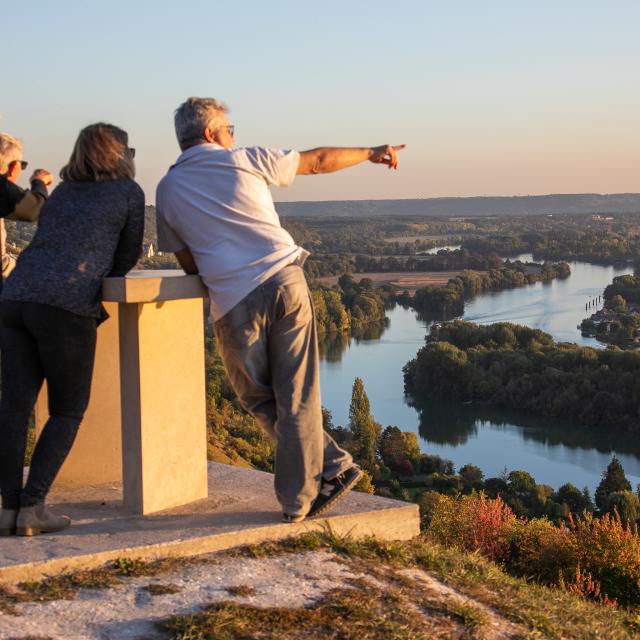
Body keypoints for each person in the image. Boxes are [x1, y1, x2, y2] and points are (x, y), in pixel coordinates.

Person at [156, 97, 404, 523]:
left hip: (233, 301)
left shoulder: (166, 189)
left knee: (259, 398)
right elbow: (320, 160)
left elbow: (188, 263)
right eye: (231, 128)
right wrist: (370, 153)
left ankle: (302, 495)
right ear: (213, 133)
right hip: (285, 280)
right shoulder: (245, 160)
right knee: (297, 395)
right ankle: (325, 472)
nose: (235, 135)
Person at [0, 123, 145, 536]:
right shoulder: (128, 193)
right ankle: (33, 508)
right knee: (66, 409)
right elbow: (127, 255)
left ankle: (7, 507)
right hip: (66, 304)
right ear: (119, 154)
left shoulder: (62, 191)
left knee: (13, 406)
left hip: (15, 297)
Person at [0, 132, 53, 290]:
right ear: (13, 166)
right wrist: (39, 183)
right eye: (21, 165)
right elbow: (34, 210)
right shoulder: (2, 188)